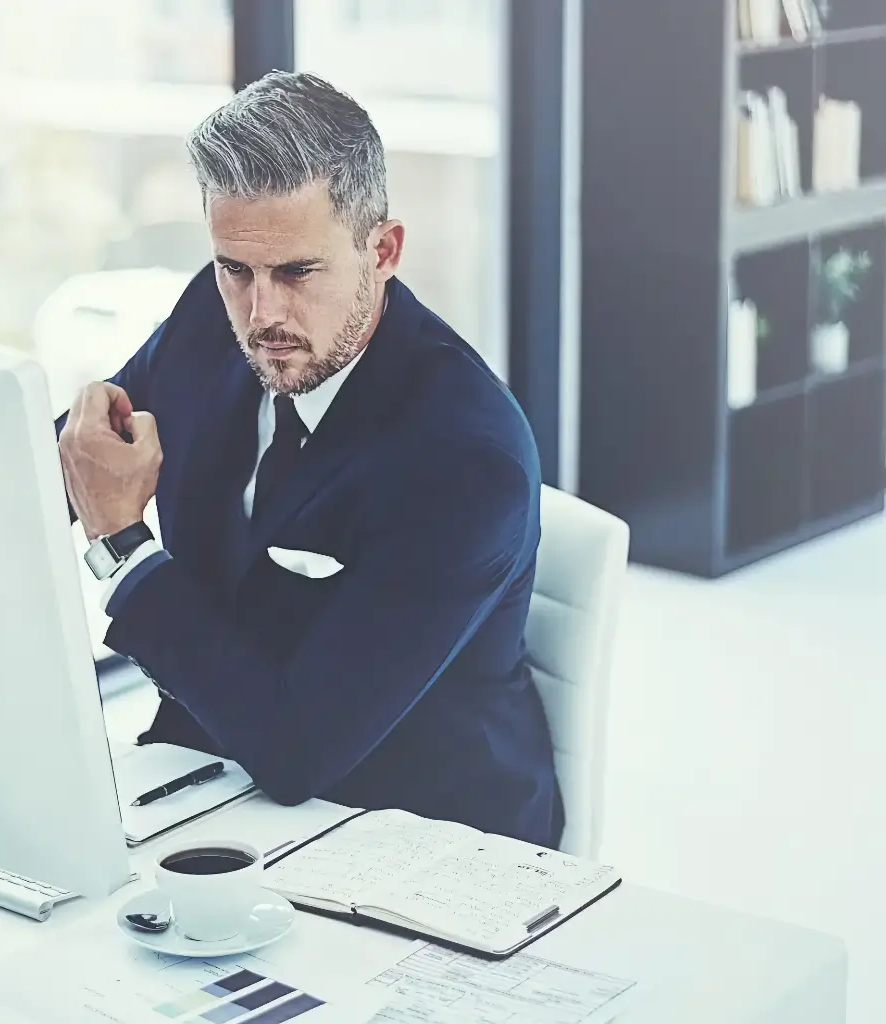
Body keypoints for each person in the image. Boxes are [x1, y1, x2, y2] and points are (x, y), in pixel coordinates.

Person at [58, 72, 563, 846]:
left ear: (383, 250)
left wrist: (123, 544)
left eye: (297, 272)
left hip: (416, 835)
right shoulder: (212, 313)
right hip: (215, 777)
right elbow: (82, 459)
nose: (262, 315)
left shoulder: (468, 460)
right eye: (235, 269)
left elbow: (296, 750)